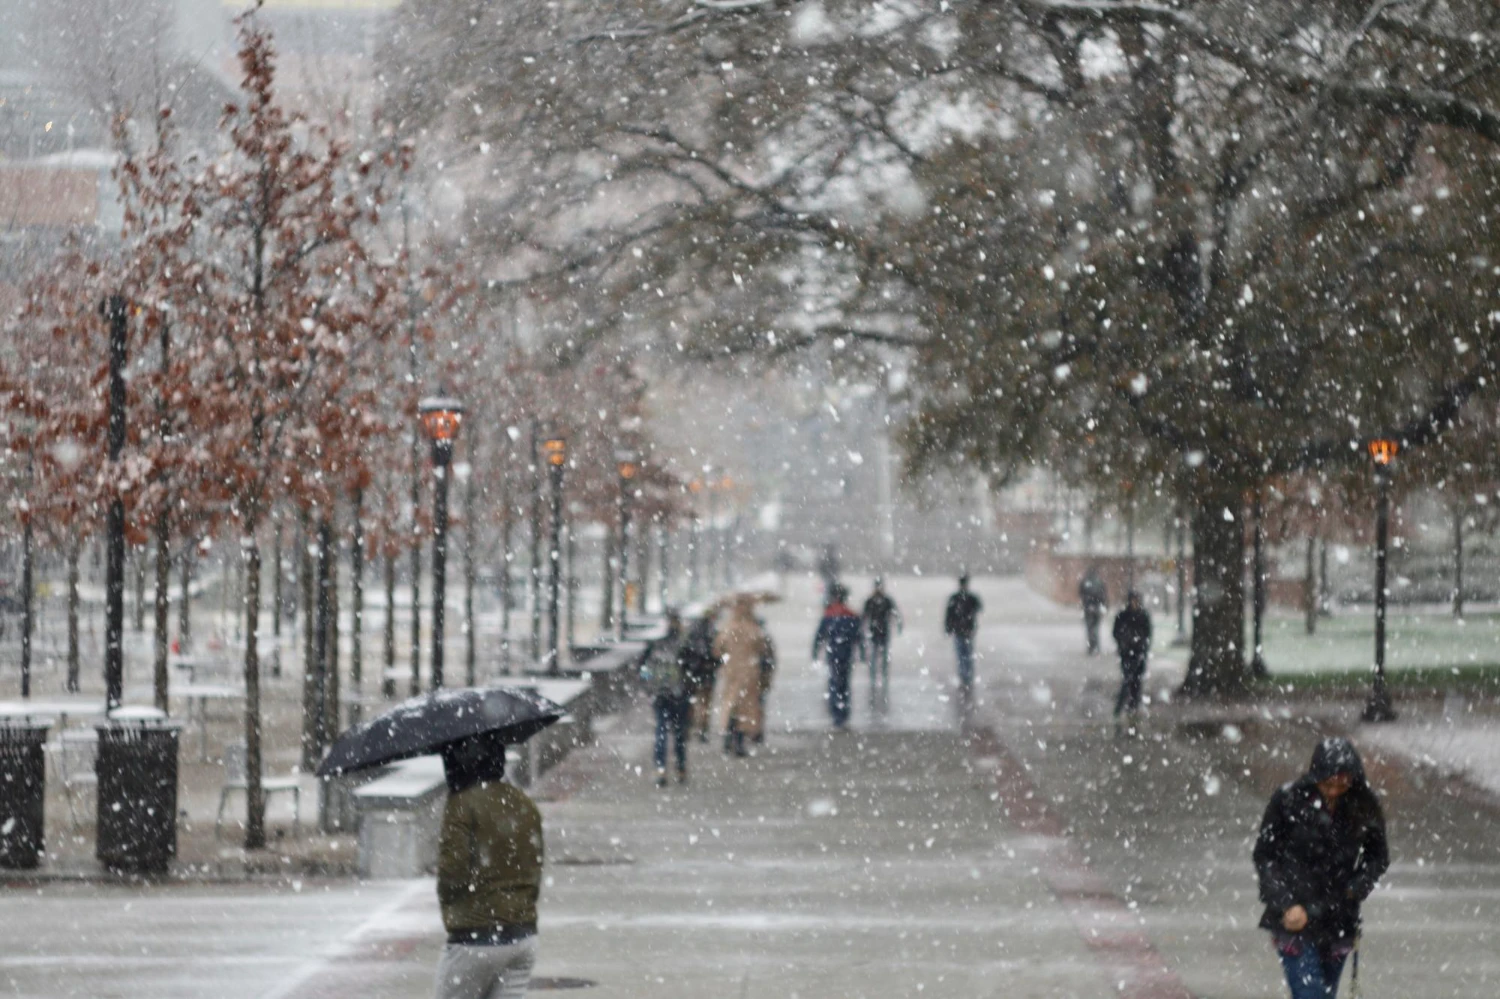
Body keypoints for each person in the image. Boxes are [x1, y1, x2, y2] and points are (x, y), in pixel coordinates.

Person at [1254, 738, 1389, 999]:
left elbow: (1378, 856)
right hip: (1295, 920)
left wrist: (1356, 888)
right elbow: (1266, 855)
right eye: (1328, 783)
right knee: (1310, 994)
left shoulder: (1363, 804)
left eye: (1343, 783)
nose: (1335, 790)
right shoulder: (1288, 800)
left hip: (1338, 919)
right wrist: (1285, 903)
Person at [435, 731, 543, 999]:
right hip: (522, 937)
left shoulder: (462, 803)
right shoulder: (523, 803)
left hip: (475, 939)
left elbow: (452, 873)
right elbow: (534, 867)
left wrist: (450, 902)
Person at [713, 595, 774, 756]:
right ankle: (739, 742)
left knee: (731, 706)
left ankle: (728, 740)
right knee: (745, 709)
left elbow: (717, 649)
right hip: (749, 674)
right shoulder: (753, 629)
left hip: (732, 673)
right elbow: (763, 649)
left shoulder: (728, 628)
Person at [643, 610, 689, 787]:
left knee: (661, 732)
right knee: (679, 734)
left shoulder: (656, 644)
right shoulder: (683, 645)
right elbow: (691, 668)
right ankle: (680, 768)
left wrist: (649, 689)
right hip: (678, 695)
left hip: (660, 695)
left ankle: (660, 769)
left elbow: (644, 670)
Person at [812, 583, 866, 730]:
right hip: (847, 655)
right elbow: (859, 637)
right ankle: (843, 714)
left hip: (833, 655)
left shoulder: (829, 615)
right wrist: (862, 653)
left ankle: (837, 715)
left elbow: (819, 636)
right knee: (844, 685)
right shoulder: (852, 616)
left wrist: (815, 652)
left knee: (834, 684)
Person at [1111, 591, 1152, 722]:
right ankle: (1122, 706)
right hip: (1127, 653)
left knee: (1136, 681)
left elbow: (1147, 634)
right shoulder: (1123, 616)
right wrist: (1124, 643)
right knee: (1128, 678)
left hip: (1139, 652)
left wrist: (1142, 646)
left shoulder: (1143, 616)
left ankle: (1132, 706)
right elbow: (1116, 632)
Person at [861, 578, 902, 709]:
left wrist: (899, 624)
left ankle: (881, 676)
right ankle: (875, 677)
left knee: (882, 656)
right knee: (876, 656)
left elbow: (895, 613)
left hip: (882, 632)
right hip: (876, 632)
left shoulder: (883, 600)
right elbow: (864, 616)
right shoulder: (875, 601)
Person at [679, 613, 719, 743]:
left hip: (693, 674)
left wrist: (687, 669)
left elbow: (683, 654)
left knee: (691, 703)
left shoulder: (690, 635)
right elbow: (717, 656)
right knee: (705, 703)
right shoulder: (712, 635)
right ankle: (702, 729)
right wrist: (713, 666)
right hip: (707, 675)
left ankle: (688, 727)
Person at [943, 574, 982, 695]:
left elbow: (949, 615)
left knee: (963, 655)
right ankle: (966, 677)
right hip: (964, 631)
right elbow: (949, 614)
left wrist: (948, 628)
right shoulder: (967, 598)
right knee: (965, 655)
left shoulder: (958, 598)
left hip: (963, 631)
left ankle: (965, 677)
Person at [1078, 566, 1108, 655]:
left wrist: (1085, 603)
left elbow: (1081, 593)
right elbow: (1104, 595)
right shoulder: (1099, 582)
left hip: (1088, 608)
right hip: (1097, 607)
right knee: (1096, 628)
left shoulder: (1085, 582)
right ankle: (1096, 646)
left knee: (1090, 628)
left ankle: (1091, 646)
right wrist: (1102, 604)